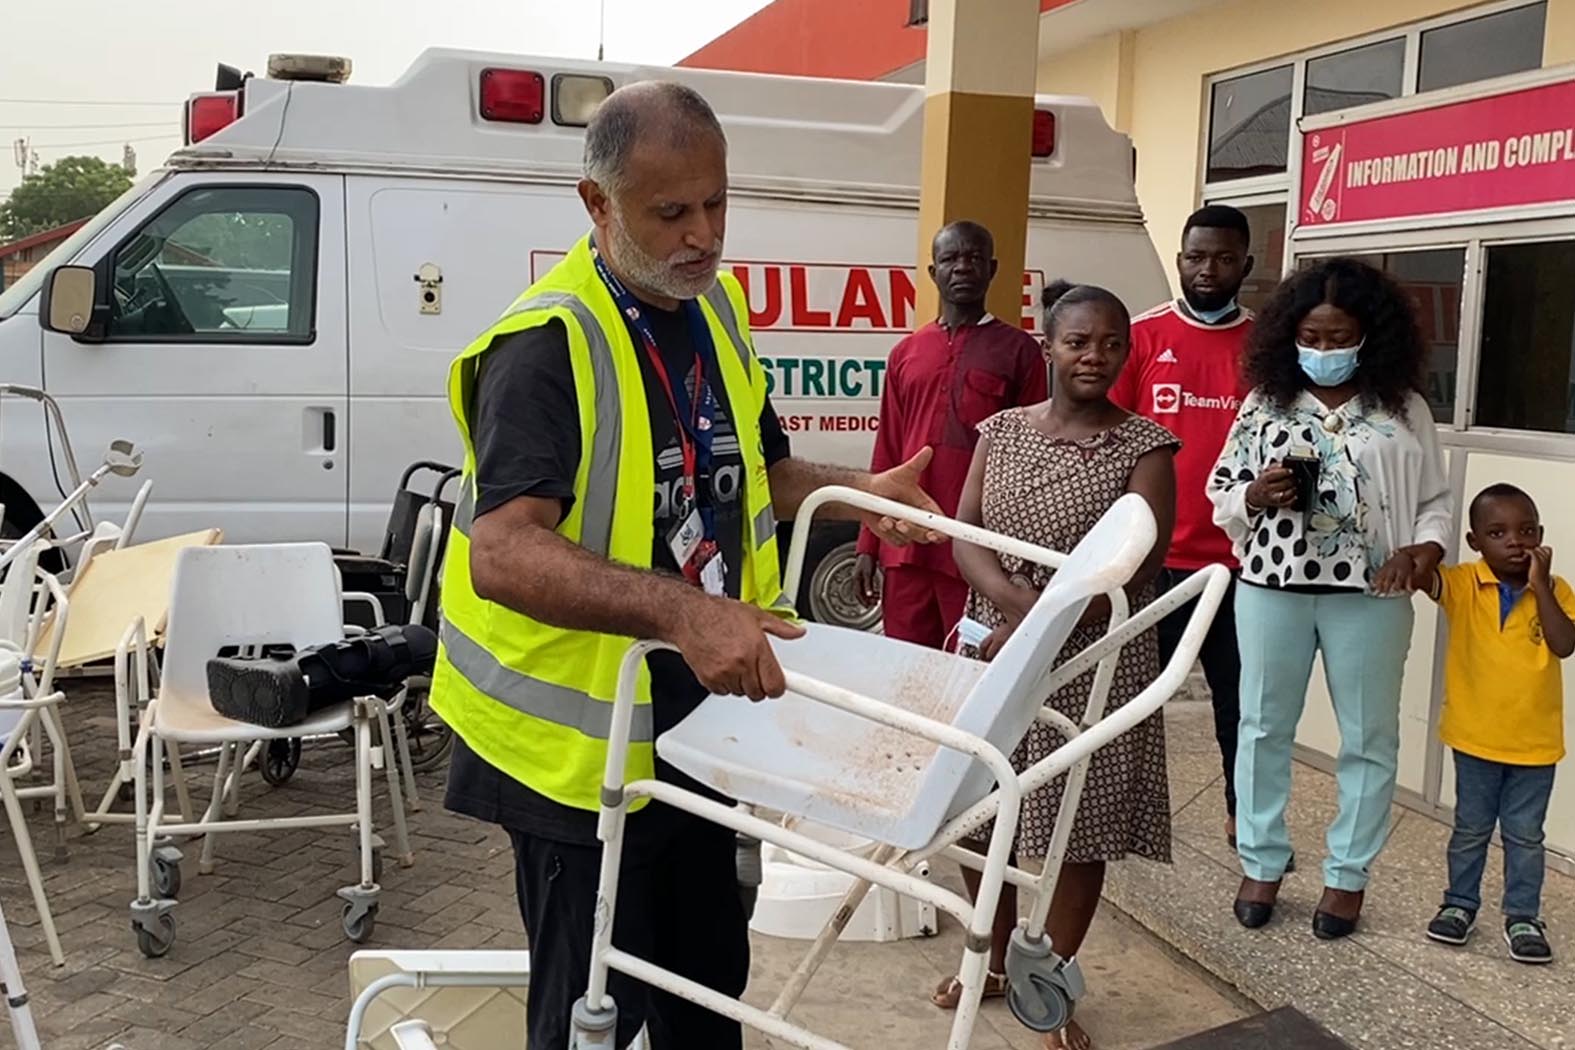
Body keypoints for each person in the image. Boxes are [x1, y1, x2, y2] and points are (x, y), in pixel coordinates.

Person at [430, 81, 942, 1050]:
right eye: (670, 212)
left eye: (716, 203)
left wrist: (863, 489)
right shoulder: (547, 344)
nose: (702, 235)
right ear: (597, 204)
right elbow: (502, 552)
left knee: (708, 993)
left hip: (699, 726)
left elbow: (758, 470)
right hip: (572, 762)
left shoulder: (715, 307)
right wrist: (683, 614)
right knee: (591, 1015)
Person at [941, 280, 1178, 1050]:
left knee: (1077, 824)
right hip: (995, 638)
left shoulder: (1144, 447)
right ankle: (989, 961)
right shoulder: (1001, 430)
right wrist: (1016, 612)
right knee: (977, 810)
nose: (1094, 357)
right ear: (1046, 345)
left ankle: (1048, 988)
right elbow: (965, 532)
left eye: (1110, 344)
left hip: (1090, 654)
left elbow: (1137, 567)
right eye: (1077, 341)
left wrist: (1039, 624)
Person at [1207, 257, 1453, 941]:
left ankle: (1347, 875)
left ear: (1368, 334)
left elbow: (1435, 500)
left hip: (1372, 594)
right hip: (1271, 588)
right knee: (1261, 728)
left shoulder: (1403, 409)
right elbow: (1220, 487)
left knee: (1369, 737)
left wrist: (1423, 551)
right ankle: (1261, 861)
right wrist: (1254, 494)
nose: (1322, 349)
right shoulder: (1266, 402)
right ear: (1289, 334)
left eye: (1338, 336)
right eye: (1310, 337)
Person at [1110, 204, 1254, 850]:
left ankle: (1244, 820)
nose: (1207, 270)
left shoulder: (1266, 347)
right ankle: (1113, 814)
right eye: (1196, 257)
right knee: (1129, 700)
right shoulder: (1142, 338)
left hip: (1241, 565)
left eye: (1223, 258)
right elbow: (1110, 443)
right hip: (1153, 562)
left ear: (1245, 265)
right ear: (1178, 260)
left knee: (1242, 706)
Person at [854, 221, 1047, 644]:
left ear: (992, 269)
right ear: (933, 272)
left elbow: (1031, 461)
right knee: (904, 669)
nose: (962, 267)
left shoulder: (1020, 352)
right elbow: (887, 450)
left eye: (974, 258)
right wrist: (868, 544)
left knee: (968, 669)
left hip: (976, 554)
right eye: (950, 259)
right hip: (904, 546)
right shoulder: (906, 353)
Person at [1423, 484, 1570, 964]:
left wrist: (1540, 585)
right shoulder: (1464, 584)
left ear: (1541, 536)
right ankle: (1459, 904)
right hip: (1475, 741)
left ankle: (1523, 916)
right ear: (1474, 541)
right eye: (1498, 533)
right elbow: (1423, 576)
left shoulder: (1557, 590)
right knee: (1470, 829)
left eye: (1526, 531)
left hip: (1534, 747)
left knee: (1525, 837)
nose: (1515, 542)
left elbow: (1564, 644)